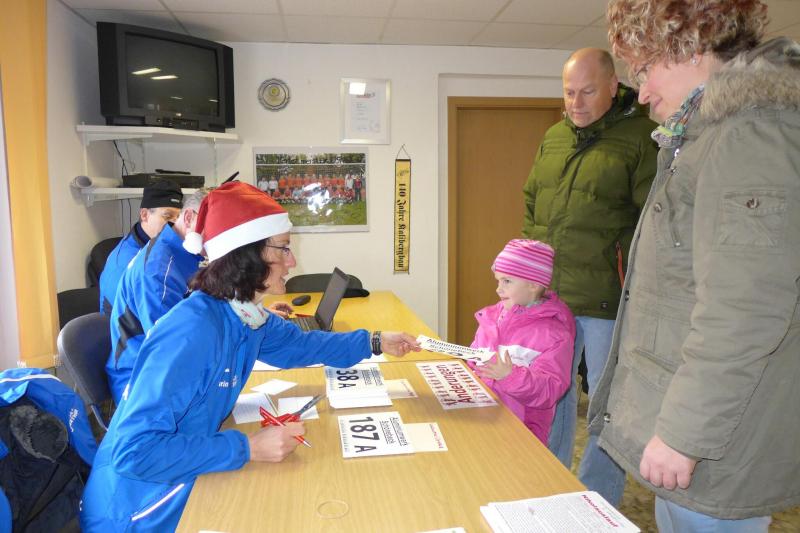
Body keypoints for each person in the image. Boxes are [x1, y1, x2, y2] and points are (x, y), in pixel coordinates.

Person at [80, 182, 421, 531]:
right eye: (283, 249)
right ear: (248, 255)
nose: (292, 261)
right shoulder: (192, 332)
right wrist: (247, 448)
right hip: (136, 508)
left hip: (181, 471)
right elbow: (134, 453)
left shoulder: (242, 312)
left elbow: (303, 345)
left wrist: (374, 341)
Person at [587, 1, 800, 530]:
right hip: (697, 429)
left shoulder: (749, 136)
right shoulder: (706, 134)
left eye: (644, 69)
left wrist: (684, 434)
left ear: (691, 47)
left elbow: (745, 310)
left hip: (714, 442)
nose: (641, 92)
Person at [522, 47, 658, 502]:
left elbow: (652, 220)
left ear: (613, 87)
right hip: (551, 296)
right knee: (549, 394)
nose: (575, 103)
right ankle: (550, 487)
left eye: (586, 92)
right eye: (568, 93)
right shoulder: (554, 136)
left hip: (606, 297)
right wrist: (530, 269)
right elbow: (532, 203)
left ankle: (597, 502)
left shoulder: (642, 137)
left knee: (605, 404)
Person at [105, 189, 209, 403]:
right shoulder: (158, 271)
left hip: (168, 368)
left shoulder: (187, 253)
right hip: (142, 382)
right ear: (189, 218)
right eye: (214, 228)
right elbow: (170, 349)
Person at [469, 240, 575, 445]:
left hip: (522, 434)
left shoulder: (553, 335)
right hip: (483, 419)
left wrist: (510, 376)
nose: (498, 289)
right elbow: (475, 357)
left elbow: (550, 388)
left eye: (507, 281)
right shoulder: (493, 317)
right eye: (498, 281)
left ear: (533, 284)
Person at [98, 180, 183, 315]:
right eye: (168, 216)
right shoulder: (124, 266)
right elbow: (134, 321)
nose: (175, 225)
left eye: (178, 218)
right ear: (144, 215)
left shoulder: (159, 245)